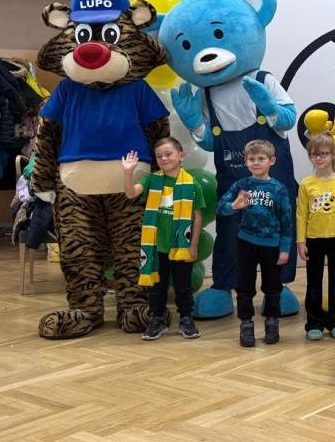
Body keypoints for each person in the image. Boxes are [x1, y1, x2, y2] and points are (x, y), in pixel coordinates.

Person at [121, 138, 206, 341]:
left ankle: (186, 319)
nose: (164, 158)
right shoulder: (152, 180)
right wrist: (128, 172)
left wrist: (193, 246)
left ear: (181, 155)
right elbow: (130, 193)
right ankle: (157, 319)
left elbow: (197, 217)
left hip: (180, 246)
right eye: (159, 156)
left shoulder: (192, 184)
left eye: (168, 154)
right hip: (156, 247)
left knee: (183, 287)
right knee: (156, 288)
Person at [216, 139, 294, 347]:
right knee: (244, 285)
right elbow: (220, 207)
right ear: (246, 161)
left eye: (261, 158)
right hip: (246, 243)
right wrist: (234, 206)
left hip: (272, 246)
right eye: (252, 159)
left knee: (273, 286)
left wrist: (285, 248)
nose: (256, 162)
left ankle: (272, 321)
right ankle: (246, 323)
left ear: (271, 161)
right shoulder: (241, 185)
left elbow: (287, 221)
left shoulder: (279, 188)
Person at [296, 133, 335, 341]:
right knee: (314, 282)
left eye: (323, 154)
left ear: (333, 155)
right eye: (314, 154)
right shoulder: (306, 184)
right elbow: (301, 214)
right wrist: (301, 241)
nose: (319, 158)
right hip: (314, 239)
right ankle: (314, 322)